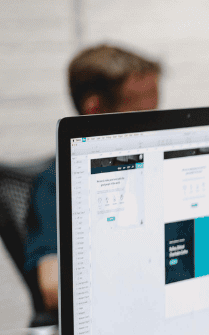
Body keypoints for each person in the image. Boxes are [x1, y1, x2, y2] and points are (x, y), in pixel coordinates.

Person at [24, 44, 161, 315]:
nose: (154, 127)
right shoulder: (55, 184)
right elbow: (52, 288)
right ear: (95, 109)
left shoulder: (152, 166)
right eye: (141, 116)